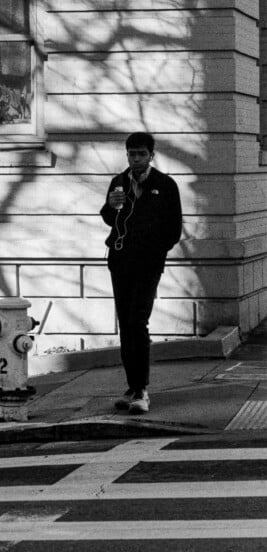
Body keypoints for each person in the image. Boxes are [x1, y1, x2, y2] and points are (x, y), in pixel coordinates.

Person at [100, 132, 182, 415]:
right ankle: (132, 386)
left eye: (140, 154)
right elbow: (110, 219)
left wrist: (156, 251)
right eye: (131, 154)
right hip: (121, 260)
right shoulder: (119, 182)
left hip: (148, 263)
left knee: (138, 321)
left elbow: (174, 228)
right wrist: (111, 206)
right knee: (126, 324)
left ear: (151, 155)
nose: (135, 160)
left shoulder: (165, 185)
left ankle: (141, 388)